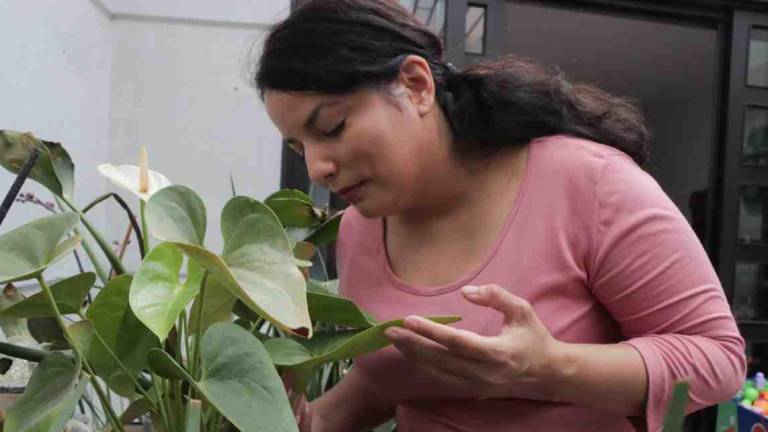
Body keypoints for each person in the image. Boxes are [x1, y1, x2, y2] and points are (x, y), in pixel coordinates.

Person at [255, 1, 746, 431]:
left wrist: (550, 369)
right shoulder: (360, 229)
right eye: (300, 147)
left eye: (332, 127)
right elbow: (405, 377)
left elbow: (718, 359)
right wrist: (305, 419)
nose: (318, 167)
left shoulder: (588, 183)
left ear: (415, 84)